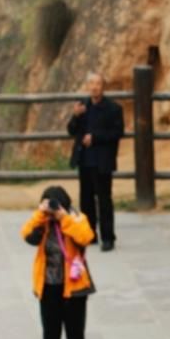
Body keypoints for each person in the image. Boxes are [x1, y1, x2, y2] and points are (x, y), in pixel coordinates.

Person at [21, 185, 96, 339]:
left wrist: (64, 218)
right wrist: (40, 214)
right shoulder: (43, 221)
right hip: (48, 286)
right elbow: (26, 234)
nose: (52, 210)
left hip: (74, 288)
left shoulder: (77, 218)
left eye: (55, 205)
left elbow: (86, 237)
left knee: (75, 333)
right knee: (50, 332)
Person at [67, 71, 124, 251]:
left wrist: (95, 138)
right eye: (91, 84)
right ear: (87, 86)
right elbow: (71, 130)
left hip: (102, 161)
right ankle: (89, 234)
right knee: (86, 200)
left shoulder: (113, 108)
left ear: (103, 86)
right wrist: (75, 116)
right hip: (85, 159)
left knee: (104, 200)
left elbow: (117, 133)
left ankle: (108, 238)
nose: (94, 87)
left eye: (98, 84)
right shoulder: (82, 106)